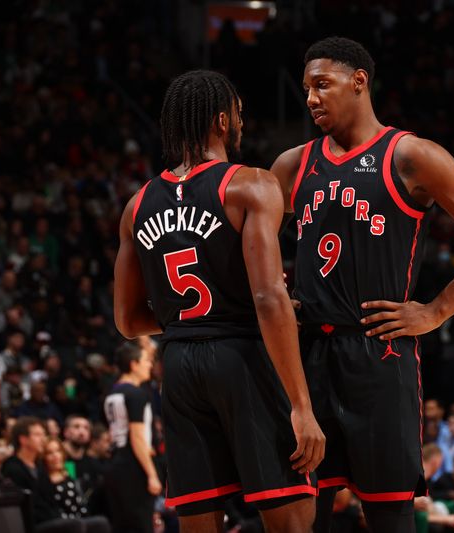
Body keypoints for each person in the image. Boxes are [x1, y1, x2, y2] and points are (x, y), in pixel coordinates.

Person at [270, 36, 454, 532]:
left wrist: (436, 310)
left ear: (359, 82)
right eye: (306, 89)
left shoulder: (410, 155)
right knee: (303, 515)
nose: (311, 99)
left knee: (390, 515)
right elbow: (247, 244)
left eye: (322, 85)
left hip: (379, 354)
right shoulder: (292, 164)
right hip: (308, 359)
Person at [113, 70, 324, 533]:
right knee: (291, 518)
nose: (243, 125)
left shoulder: (137, 205)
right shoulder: (250, 184)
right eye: (241, 116)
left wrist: (188, 324)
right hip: (243, 355)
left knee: (199, 522)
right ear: (223, 120)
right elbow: (269, 298)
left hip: (180, 365)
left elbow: (128, 321)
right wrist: (301, 406)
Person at [0, 417, 109, 533]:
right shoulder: (13, 468)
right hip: (31, 524)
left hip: (53, 518)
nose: (43, 439)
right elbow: (27, 508)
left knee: (100, 523)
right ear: (23, 439)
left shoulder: (39, 467)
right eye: (37, 435)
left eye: (43, 434)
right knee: (72, 525)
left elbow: (51, 502)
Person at [102, 341, 159, 533]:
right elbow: (137, 438)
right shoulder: (136, 394)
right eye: (145, 361)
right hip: (134, 467)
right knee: (142, 527)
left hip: (115, 464)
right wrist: (152, 475)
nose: (149, 365)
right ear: (133, 364)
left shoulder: (112, 392)